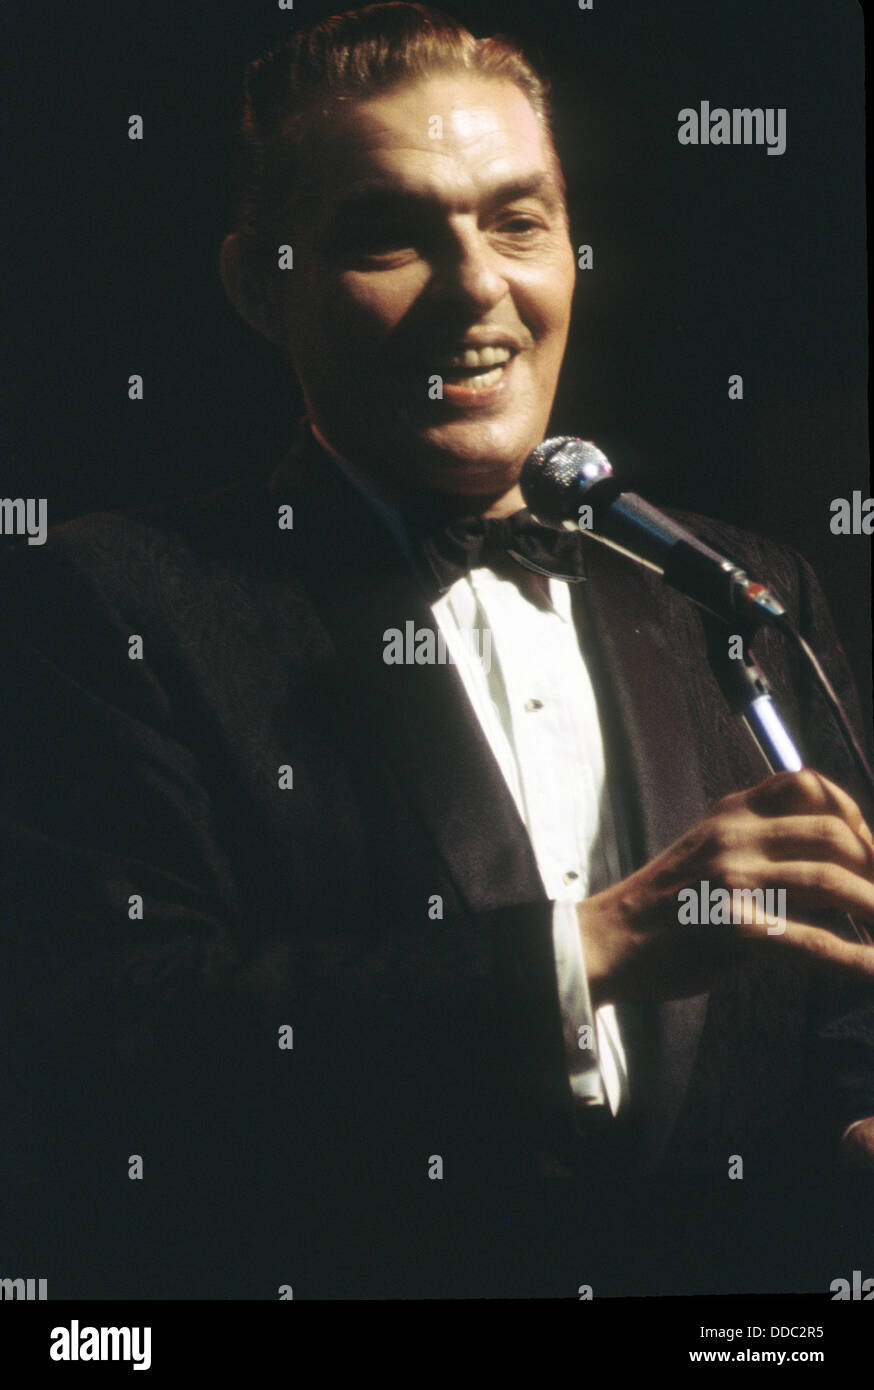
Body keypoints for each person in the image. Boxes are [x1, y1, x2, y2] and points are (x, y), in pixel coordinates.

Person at [2, 2, 873, 1300]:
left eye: (515, 220)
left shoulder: (740, 589)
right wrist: (588, 944)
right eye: (385, 234)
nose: (477, 286)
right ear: (261, 286)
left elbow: (837, 1033)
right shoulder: (107, 599)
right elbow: (116, 1048)